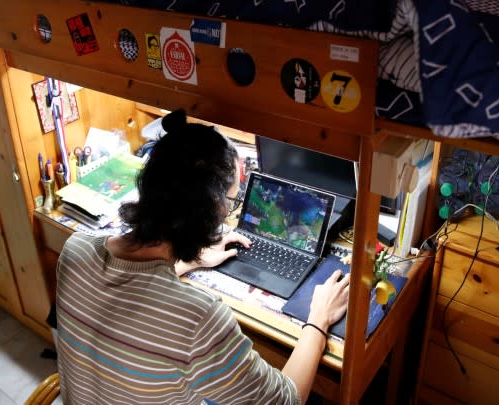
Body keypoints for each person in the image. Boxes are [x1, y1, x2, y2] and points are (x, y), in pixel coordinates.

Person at [55, 109, 350, 404]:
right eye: (232, 201)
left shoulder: (75, 249)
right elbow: (286, 400)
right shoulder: (198, 319)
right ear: (211, 209)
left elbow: (135, 289)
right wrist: (318, 321)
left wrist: (190, 261)